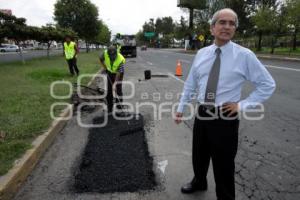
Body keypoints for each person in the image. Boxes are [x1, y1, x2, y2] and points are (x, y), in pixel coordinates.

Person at [175, 8, 276, 200]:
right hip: (203, 112)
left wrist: (242, 105)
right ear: (212, 28)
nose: (227, 27)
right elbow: (191, 83)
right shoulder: (202, 54)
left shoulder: (244, 55)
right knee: (199, 154)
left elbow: (267, 84)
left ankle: (226, 196)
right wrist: (181, 108)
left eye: (232, 24)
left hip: (225, 115)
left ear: (235, 30)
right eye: (222, 22)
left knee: (224, 164)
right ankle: (199, 181)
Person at [99, 45, 126, 113]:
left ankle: (119, 106)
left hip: (119, 73)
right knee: (109, 90)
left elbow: (119, 72)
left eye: (113, 56)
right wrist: (105, 68)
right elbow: (100, 59)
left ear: (116, 53)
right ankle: (110, 107)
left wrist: (115, 84)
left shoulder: (120, 59)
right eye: (111, 56)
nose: (112, 58)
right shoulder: (105, 53)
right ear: (108, 54)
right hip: (110, 72)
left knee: (118, 89)